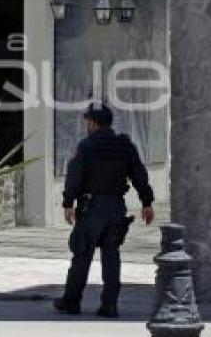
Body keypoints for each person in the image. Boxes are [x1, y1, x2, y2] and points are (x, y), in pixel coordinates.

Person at [54, 102, 155, 318]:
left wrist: (68, 203)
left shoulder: (87, 146)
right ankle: (110, 305)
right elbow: (139, 174)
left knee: (82, 255)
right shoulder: (125, 145)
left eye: (87, 121)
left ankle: (71, 302)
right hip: (116, 207)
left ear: (92, 123)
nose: (86, 125)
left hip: (92, 208)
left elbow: (75, 177)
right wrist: (147, 203)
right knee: (111, 256)